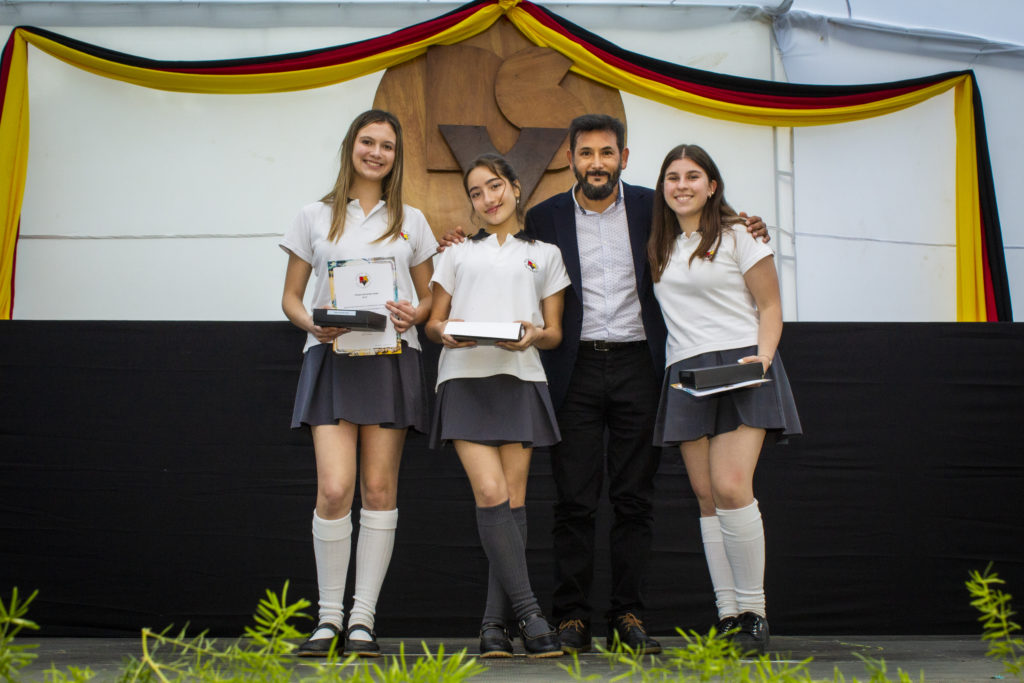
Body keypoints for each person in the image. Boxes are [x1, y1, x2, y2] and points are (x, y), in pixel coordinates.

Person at [521, 115, 770, 654]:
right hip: (573, 368)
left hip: (642, 365)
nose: (597, 163)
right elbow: (504, 256)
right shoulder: (543, 217)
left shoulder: (651, 207)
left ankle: (629, 616)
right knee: (573, 500)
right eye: (586, 153)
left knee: (634, 499)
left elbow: (706, 218)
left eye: (606, 152)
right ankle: (572, 618)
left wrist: (748, 224)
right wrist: (459, 239)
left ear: (624, 158)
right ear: (571, 159)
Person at [279, 109, 437, 658]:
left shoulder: (412, 220)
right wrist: (312, 324)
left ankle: (363, 620)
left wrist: (416, 313)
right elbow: (290, 298)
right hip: (332, 358)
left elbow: (429, 296)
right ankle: (328, 619)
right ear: (351, 146)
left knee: (379, 490)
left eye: (387, 146)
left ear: (396, 156)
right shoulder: (313, 215)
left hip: (391, 359)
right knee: (334, 489)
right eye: (368, 142)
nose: (376, 153)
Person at [648, 143, 801, 654]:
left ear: (712, 185)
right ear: (663, 187)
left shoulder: (739, 235)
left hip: (740, 367)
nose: (682, 185)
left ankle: (755, 613)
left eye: (693, 176)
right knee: (707, 496)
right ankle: (729, 616)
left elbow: (771, 306)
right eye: (673, 177)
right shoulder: (660, 244)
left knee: (732, 487)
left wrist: (763, 359)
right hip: (686, 372)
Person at [425, 154, 570, 659]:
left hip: (521, 378)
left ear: (515, 186)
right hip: (463, 379)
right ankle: (530, 614)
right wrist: (445, 331)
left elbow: (553, 332)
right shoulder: (456, 254)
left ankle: (492, 626)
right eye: (476, 192)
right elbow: (433, 323)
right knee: (490, 494)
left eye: (495, 186)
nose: (488, 198)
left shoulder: (546, 254)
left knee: (511, 503)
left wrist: (533, 335)